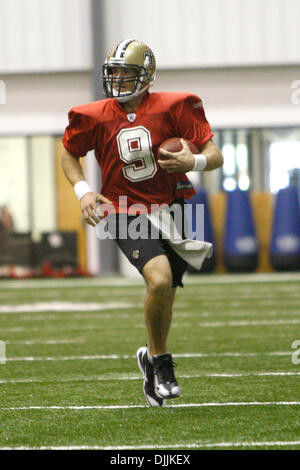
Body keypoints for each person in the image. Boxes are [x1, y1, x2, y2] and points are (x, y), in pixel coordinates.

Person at [61, 39, 223, 407]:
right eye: (113, 72)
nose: (116, 80)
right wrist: (85, 191)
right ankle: (162, 362)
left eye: (125, 72)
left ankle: (150, 357)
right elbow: (68, 153)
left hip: (170, 209)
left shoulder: (176, 107)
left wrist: (192, 163)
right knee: (160, 277)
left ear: (147, 76)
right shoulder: (94, 114)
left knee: (166, 289)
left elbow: (215, 155)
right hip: (121, 209)